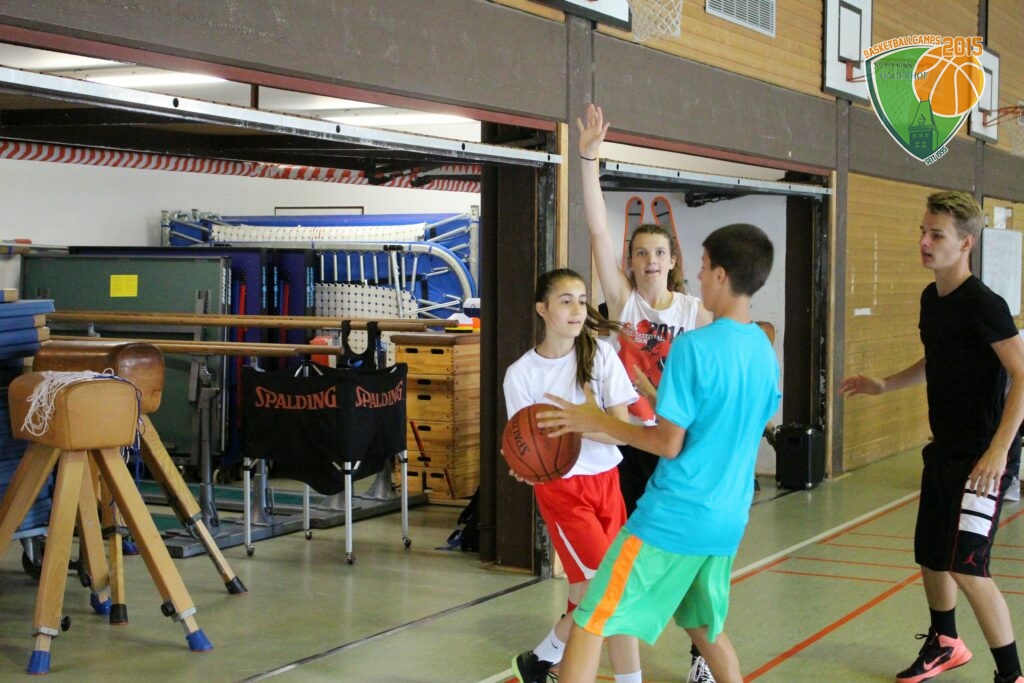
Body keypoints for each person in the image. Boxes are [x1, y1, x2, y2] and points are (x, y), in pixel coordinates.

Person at [539, 223, 780, 683]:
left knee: (591, 619)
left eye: (704, 267)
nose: (699, 276)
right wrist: (659, 395)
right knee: (705, 629)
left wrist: (597, 421)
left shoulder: (693, 346)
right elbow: (743, 422)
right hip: (729, 517)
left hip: (674, 517)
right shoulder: (763, 351)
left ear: (722, 275)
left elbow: (669, 443)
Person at [839, 191, 1024, 683]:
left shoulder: (985, 304)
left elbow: (1023, 375)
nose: (924, 241)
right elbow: (939, 359)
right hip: (945, 450)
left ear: (965, 243)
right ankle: (946, 643)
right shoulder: (932, 298)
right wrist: (886, 384)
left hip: (984, 455)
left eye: (936, 235)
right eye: (922, 231)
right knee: (932, 553)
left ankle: (1011, 674)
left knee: (967, 565)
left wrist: (998, 451)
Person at [579, 102, 715, 682]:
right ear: (629, 264)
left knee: (685, 559)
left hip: (678, 445)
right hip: (633, 445)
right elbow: (596, 228)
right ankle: (622, 655)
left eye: (659, 253)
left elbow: (720, 371)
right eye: (640, 253)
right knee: (629, 556)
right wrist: (589, 159)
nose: (650, 260)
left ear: (672, 261)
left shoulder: (694, 313)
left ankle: (700, 656)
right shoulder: (623, 302)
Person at [504, 268, 643, 683]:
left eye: (582, 301)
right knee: (609, 589)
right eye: (566, 301)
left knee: (601, 592)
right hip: (562, 489)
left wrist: (579, 424)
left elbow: (623, 431)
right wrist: (522, 465)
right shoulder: (521, 374)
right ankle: (543, 659)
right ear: (542, 309)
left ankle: (539, 660)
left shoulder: (601, 356)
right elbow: (523, 446)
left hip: (608, 482)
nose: (577, 309)